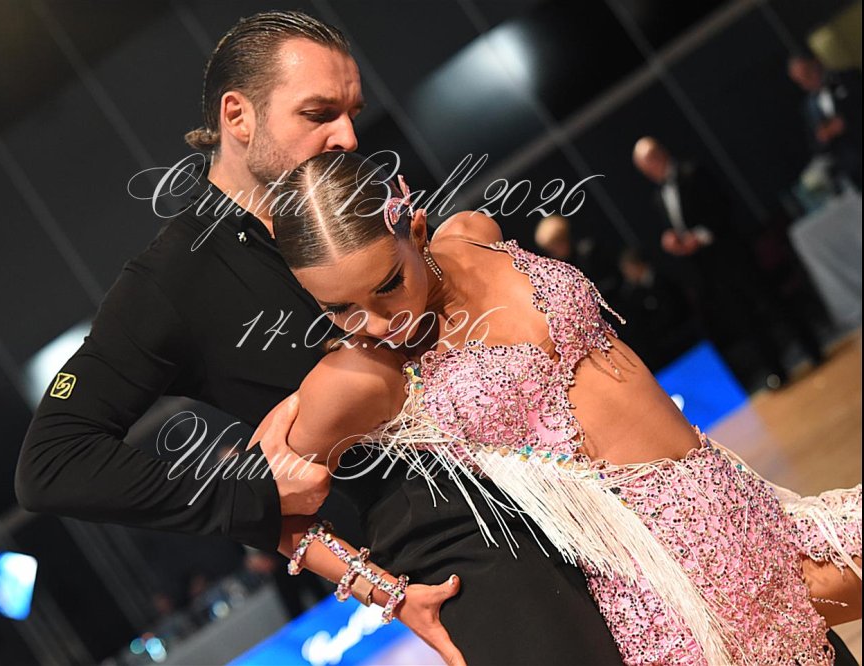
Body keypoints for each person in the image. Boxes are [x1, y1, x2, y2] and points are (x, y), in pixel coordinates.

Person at [13, 11, 624, 662]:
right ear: (237, 116)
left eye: (351, 112)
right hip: (476, 557)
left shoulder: (363, 198)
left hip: (581, 494)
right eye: (318, 113)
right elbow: (52, 463)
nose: (348, 136)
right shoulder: (173, 280)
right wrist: (248, 497)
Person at [264, 151, 862, 665]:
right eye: (339, 309)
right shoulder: (364, 375)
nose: (376, 323)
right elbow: (266, 509)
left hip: (739, 499)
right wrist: (385, 594)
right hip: (666, 580)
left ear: (416, 229)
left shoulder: (472, 232)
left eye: (388, 284)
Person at [632, 136, 824, 389]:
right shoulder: (659, 197)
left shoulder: (693, 172)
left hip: (732, 253)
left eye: (649, 165)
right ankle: (777, 370)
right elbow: (679, 226)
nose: (649, 172)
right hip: (709, 268)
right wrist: (674, 240)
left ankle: (813, 350)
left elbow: (722, 207)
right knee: (744, 319)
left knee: (772, 301)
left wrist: (700, 236)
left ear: (659, 155)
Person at [788, 55, 862, 193]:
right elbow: (814, 144)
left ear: (816, 64)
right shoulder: (809, 107)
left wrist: (845, 122)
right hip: (854, 167)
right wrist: (823, 137)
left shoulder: (847, 78)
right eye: (801, 81)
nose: (807, 82)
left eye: (807, 74)